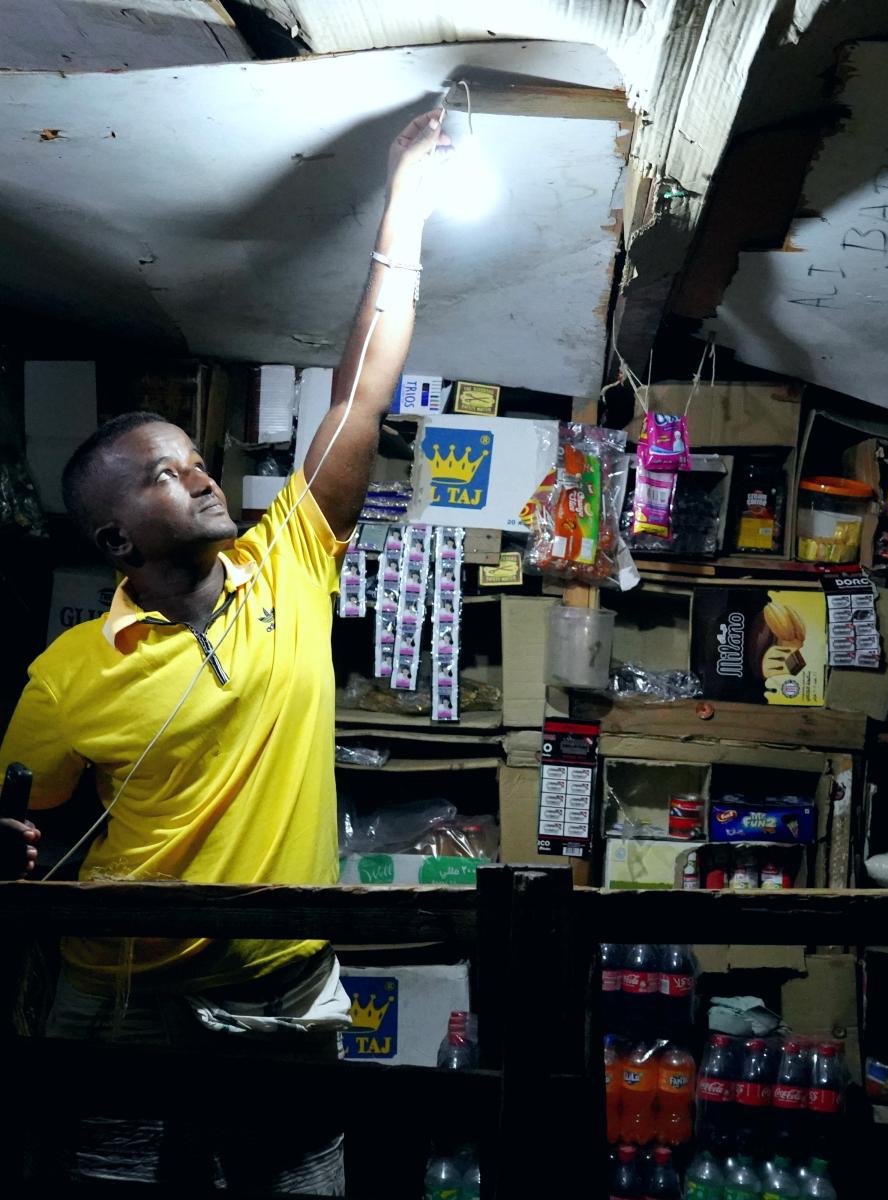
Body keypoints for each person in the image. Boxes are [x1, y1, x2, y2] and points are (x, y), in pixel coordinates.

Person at [0, 108, 450, 1194]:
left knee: (295, 1178)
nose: (199, 477)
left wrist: (408, 195)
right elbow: (22, 817)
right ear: (114, 539)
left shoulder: (291, 556)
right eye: (162, 474)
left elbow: (361, 388)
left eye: (195, 459)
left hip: (282, 982)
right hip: (122, 998)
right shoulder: (68, 677)